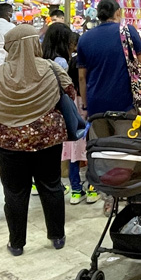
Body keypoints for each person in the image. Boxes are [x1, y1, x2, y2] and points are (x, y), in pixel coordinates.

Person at [0, 24, 72, 256]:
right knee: (51, 186)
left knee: (15, 193)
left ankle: (16, 244)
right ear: (35, 43)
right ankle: (57, 236)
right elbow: (70, 94)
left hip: (9, 145)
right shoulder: (52, 69)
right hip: (49, 141)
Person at [43, 23, 96, 204]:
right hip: (86, 107)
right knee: (91, 149)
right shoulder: (80, 62)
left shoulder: (64, 62)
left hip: (70, 110)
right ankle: (92, 188)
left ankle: (75, 190)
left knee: (74, 151)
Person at [77, 0, 141, 117]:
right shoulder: (128, 31)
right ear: (118, 12)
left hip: (96, 106)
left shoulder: (84, 38)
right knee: (125, 135)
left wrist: (85, 104)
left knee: (100, 135)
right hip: (125, 103)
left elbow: (82, 77)